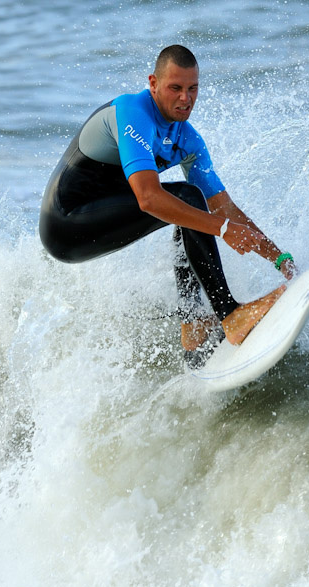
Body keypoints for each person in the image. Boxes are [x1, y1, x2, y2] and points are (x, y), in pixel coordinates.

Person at [39, 44, 296, 367]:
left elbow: (224, 209)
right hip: (66, 223)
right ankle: (230, 315)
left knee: (189, 207)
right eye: (175, 88)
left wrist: (280, 259)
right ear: (153, 83)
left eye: (192, 89)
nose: (185, 98)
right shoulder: (133, 113)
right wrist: (224, 230)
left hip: (100, 217)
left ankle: (193, 323)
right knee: (185, 199)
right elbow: (148, 198)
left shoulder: (187, 139)